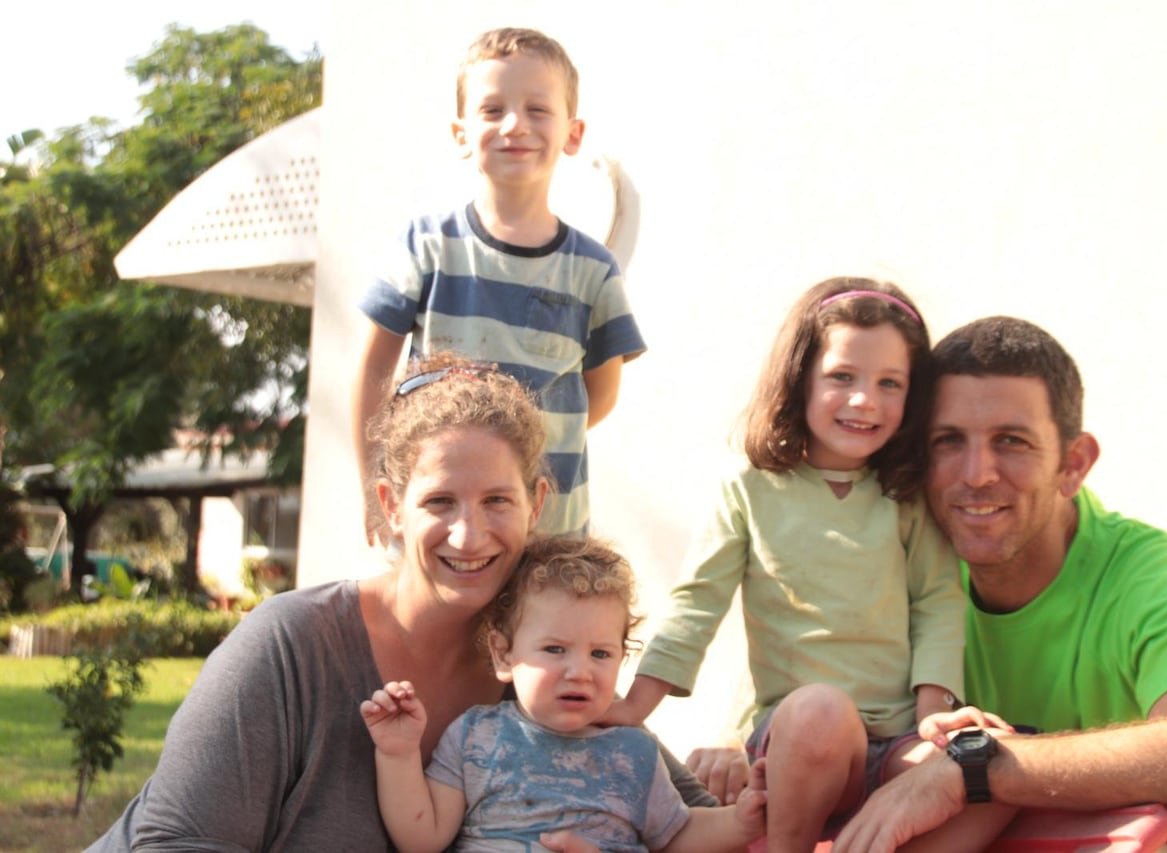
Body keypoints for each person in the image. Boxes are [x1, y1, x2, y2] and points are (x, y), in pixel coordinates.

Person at [87, 355, 709, 851]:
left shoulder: (549, 659)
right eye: (440, 501)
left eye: (498, 500)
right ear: (391, 506)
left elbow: (699, 821)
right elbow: (175, 843)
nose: (469, 535)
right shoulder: (290, 647)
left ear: (538, 503)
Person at [832, 316, 1167, 853]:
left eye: (1011, 441)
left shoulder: (1148, 571)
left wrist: (973, 768)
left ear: (1074, 463)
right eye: (948, 441)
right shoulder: (891, 569)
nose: (976, 474)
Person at [604, 278, 1008, 852]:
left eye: (889, 383)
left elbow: (937, 604)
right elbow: (698, 600)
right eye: (842, 376)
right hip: (798, 743)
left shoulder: (906, 494)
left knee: (995, 766)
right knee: (820, 709)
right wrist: (632, 707)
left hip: (895, 739)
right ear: (800, 378)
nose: (865, 400)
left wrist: (931, 720)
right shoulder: (751, 488)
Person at [354, 26, 645, 540]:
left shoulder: (594, 270)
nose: (515, 125)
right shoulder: (427, 245)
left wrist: (523, 445)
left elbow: (598, 396)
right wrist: (374, 482)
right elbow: (374, 370)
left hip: (551, 540)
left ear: (572, 133)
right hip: (445, 533)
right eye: (492, 110)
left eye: (538, 109)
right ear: (460, 133)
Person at [361, 535, 766, 852]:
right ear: (503, 654)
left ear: (622, 658)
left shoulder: (633, 752)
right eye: (555, 650)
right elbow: (422, 839)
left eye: (601, 654)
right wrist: (398, 754)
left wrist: (741, 822)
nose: (580, 672)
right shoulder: (475, 737)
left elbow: (676, 834)